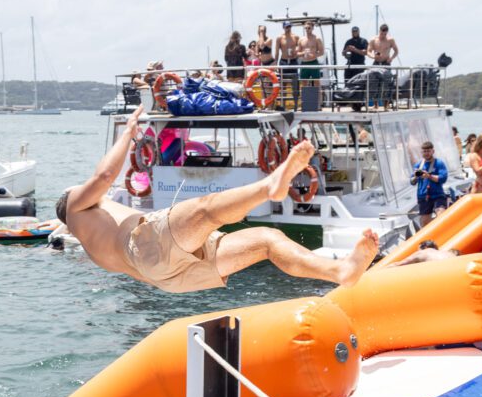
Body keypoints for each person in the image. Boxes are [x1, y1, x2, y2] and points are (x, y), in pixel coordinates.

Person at [55, 107, 379, 293]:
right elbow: (103, 177)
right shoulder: (75, 206)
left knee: (268, 240)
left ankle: (340, 271)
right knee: (206, 209)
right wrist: (128, 131)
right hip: (150, 249)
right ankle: (269, 187)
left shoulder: (93, 244)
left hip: (169, 277)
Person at [411, 140, 449, 228]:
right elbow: (412, 181)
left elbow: (443, 178)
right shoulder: (418, 165)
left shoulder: (439, 163)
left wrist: (429, 176)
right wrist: (416, 177)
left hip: (437, 195)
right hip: (424, 197)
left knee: (441, 215)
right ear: (421, 152)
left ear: (433, 151)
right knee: (424, 222)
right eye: (424, 151)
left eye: (428, 151)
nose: (426, 153)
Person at [388, 240, 461, 267]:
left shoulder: (423, 253)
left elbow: (398, 265)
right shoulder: (447, 253)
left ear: (425, 247)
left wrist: (380, 271)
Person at [296, 20, 325, 86]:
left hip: (313, 62)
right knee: (303, 83)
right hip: (304, 63)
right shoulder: (301, 39)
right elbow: (297, 53)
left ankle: (318, 96)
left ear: (312, 28)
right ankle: (305, 96)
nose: (307, 29)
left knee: (317, 83)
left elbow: (322, 52)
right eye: (306, 28)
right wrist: (303, 53)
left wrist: (314, 55)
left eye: (309, 28)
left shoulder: (317, 39)